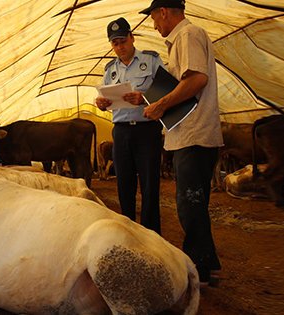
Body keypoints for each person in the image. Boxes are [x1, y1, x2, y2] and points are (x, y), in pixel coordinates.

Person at [140, 0, 224, 285]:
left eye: (153, 18)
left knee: (189, 204)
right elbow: (183, 81)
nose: (153, 25)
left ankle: (197, 269)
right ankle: (208, 264)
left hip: (193, 134)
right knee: (196, 203)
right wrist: (148, 99)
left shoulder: (187, 35)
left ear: (163, 11)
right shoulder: (182, 40)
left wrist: (160, 105)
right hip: (192, 134)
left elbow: (196, 79)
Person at [95, 17, 164, 235]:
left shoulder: (151, 60)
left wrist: (144, 98)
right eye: (115, 43)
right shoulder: (110, 69)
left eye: (123, 41)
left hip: (147, 131)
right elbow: (105, 98)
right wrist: (101, 104)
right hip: (122, 132)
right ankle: (129, 235)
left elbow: (167, 91)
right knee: (124, 185)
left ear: (132, 38)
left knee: (149, 186)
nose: (120, 47)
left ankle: (152, 236)